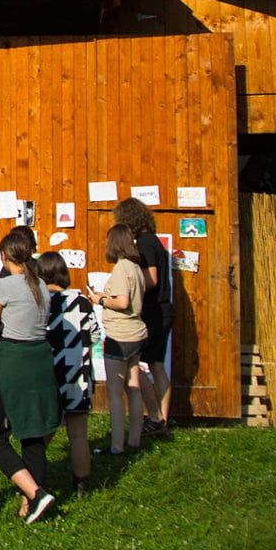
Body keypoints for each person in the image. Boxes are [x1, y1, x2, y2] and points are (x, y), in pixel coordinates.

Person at [0, 231, 64, 522]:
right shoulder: (41, 284)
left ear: (4, 257)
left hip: (13, 361)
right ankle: (32, 502)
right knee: (33, 434)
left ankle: (34, 493)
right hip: (40, 359)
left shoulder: (4, 286)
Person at [113, 197, 175, 436]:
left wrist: (131, 287)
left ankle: (159, 418)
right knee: (154, 364)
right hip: (159, 309)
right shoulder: (153, 241)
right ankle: (159, 417)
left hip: (155, 310)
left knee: (152, 365)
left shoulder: (147, 243)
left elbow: (151, 278)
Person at [41, 250, 98, 495]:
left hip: (50, 375)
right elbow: (94, 335)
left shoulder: (42, 303)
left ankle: (34, 482)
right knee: (78, 435)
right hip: (79, 376)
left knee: (42, 434)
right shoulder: (82, 301)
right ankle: (82, 485)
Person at [93, 223, 149, 458]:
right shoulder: (136, 267)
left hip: (120, 335)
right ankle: (134, 439)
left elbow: (122, 302)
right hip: (137, 333)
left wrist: (101, 299)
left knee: (115, 392)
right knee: (134, 387)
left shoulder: (121, 269)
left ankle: (117, 445)